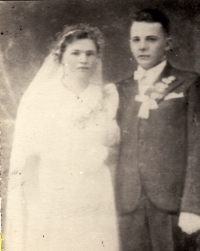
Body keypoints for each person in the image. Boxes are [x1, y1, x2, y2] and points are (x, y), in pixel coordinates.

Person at [4, 24, 120, 251]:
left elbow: (115, 148)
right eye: (75, 53)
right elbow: (28, 158)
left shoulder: (104, 97)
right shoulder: (42, 97)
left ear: (97, 58)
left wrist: (103, 153)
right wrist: (36, 205)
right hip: (54, 193)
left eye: (89, 54)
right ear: (61, 57)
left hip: (96, 194)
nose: (83, 60)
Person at [115, 9, 200, 251]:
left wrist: (193, 206)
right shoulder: (120, 89)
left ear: (168, 43)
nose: (142, 47)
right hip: (127, 204)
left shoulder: (189, 82)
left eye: (151, 39)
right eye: (136, 40)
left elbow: (198, 145)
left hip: (172, 205)